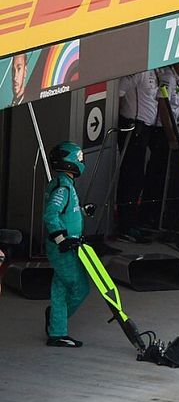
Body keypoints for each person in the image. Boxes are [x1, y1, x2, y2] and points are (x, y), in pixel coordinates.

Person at [141, 59, 179, 229]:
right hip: (161, 130)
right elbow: (163, 107)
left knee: (166, 175)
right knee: (157, 174)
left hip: (173, 128)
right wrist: (170, 137)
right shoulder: (168, 76)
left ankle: (158, 214)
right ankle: (148, 216)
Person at [43, 142, 90, 347]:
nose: (81, 162)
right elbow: (51, 214)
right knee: (79, 287)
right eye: (79, 158)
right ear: (70, 161)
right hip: (63, 248)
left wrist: (83, 211)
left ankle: (57, 329)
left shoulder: (64, 183)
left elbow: (66, 212)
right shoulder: (63, 187)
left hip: (67, 246)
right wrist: (61, 239)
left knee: (60, 286)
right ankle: (56, 322)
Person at [115, 70, 159, 243]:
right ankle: (124, 226)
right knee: (130, 176)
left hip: (146, 130)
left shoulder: (156, 72)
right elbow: (118, 92)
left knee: (138, 178)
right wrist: (119, 121)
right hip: (133, 128)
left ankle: (132, 222)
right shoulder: (138, 72)